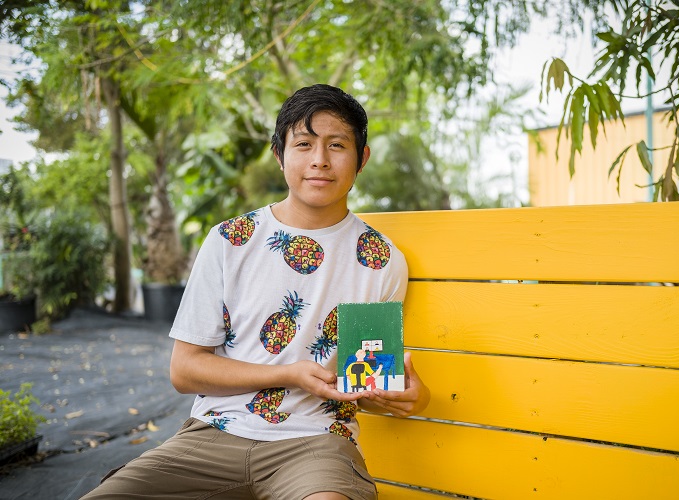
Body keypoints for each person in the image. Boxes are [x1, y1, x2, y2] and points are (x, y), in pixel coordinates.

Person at [81, 84, 431, 500]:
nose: (319, 160)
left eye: (337, 145)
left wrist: (412, 397)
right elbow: (186, 370)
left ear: (362, 159)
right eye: (303, 144)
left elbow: (363, 383)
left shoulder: (379, 260)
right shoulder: (230, 240)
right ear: (280, 155)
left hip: (315, 444)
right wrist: (286, 373)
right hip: (212, 435)